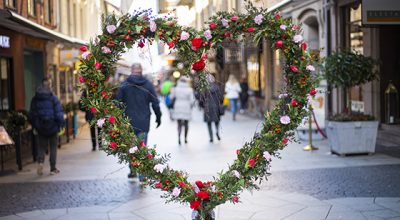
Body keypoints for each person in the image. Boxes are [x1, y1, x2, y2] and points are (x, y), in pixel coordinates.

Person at [116, 63, 162, 179]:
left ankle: (132, 170)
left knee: (131, 147)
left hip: (128, 122)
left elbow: (117, 103)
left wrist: (118, 118)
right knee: (142, 147)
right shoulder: (147, 85)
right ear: (141, 71)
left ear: (131, 71)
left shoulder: (124, 84)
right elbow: (155, 102)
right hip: (143, 122)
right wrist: (158, 117)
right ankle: (142, 175)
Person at [29, 78, 65, 176]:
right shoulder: (53, 98)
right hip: (53, 127)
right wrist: (61, 124)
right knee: (53, 147)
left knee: (41, 147)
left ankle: (40, 162)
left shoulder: (35, 98)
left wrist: (36, 125)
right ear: (49, 86)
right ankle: (52, 168)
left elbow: (32, 114)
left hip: (41, 127)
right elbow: (58, 113)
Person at [171, 76, 194, 145]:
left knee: (179, 124)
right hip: (186, 106)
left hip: (178, 106)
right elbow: (192, 100)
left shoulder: (176, 89)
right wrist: (191, 106)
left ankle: (179, 138)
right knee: (186, 124)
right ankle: (185, 138)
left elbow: (171, 97)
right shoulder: (189, 89)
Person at [201, 74, 223, 143]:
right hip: (216, 106)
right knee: (217, 121)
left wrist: (202, 106)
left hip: (207, 107)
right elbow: (221, 98)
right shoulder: (217, 87)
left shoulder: (204, 89)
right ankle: (216, 131)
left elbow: (201, 99)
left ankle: (211, 137)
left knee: (208, 123)